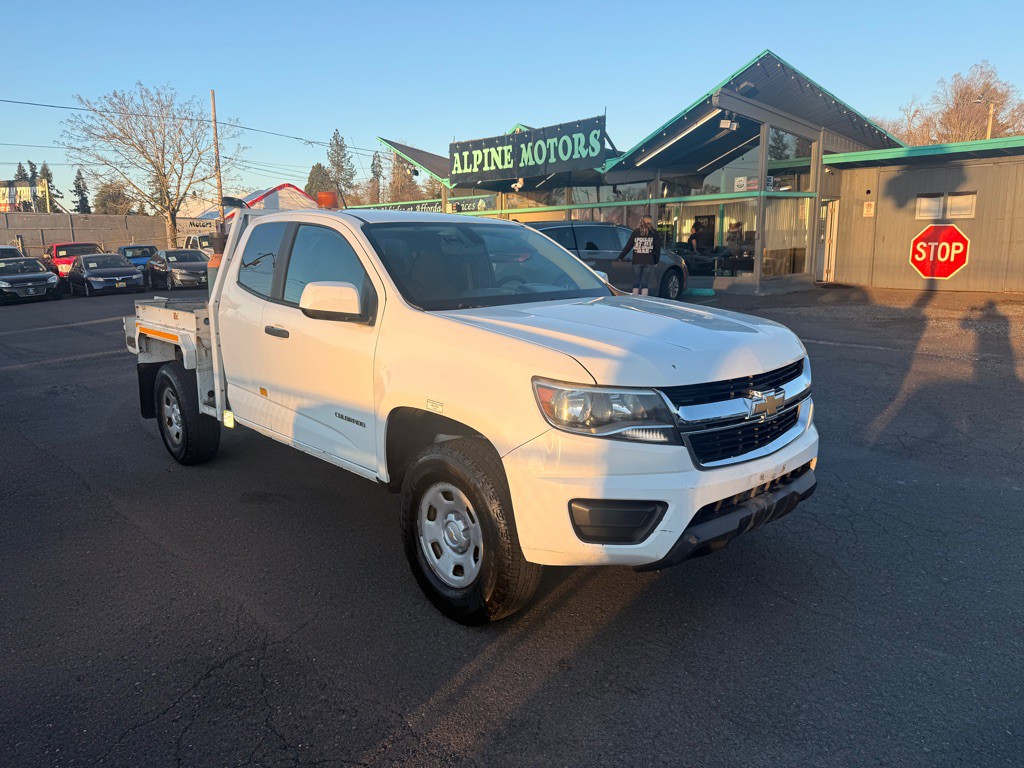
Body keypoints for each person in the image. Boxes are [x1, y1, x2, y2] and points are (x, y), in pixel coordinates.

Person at [617, 213, 661, 296]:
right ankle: (644, 299)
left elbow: (628, 246)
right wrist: (656, 261)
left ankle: (635, 299)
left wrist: (620, 257)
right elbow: (657, 248)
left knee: (636, 282)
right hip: (649, 261)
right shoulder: (653, 233)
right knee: (645, 283)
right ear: (650, 221)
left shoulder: (636, 232)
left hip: (637, 261)